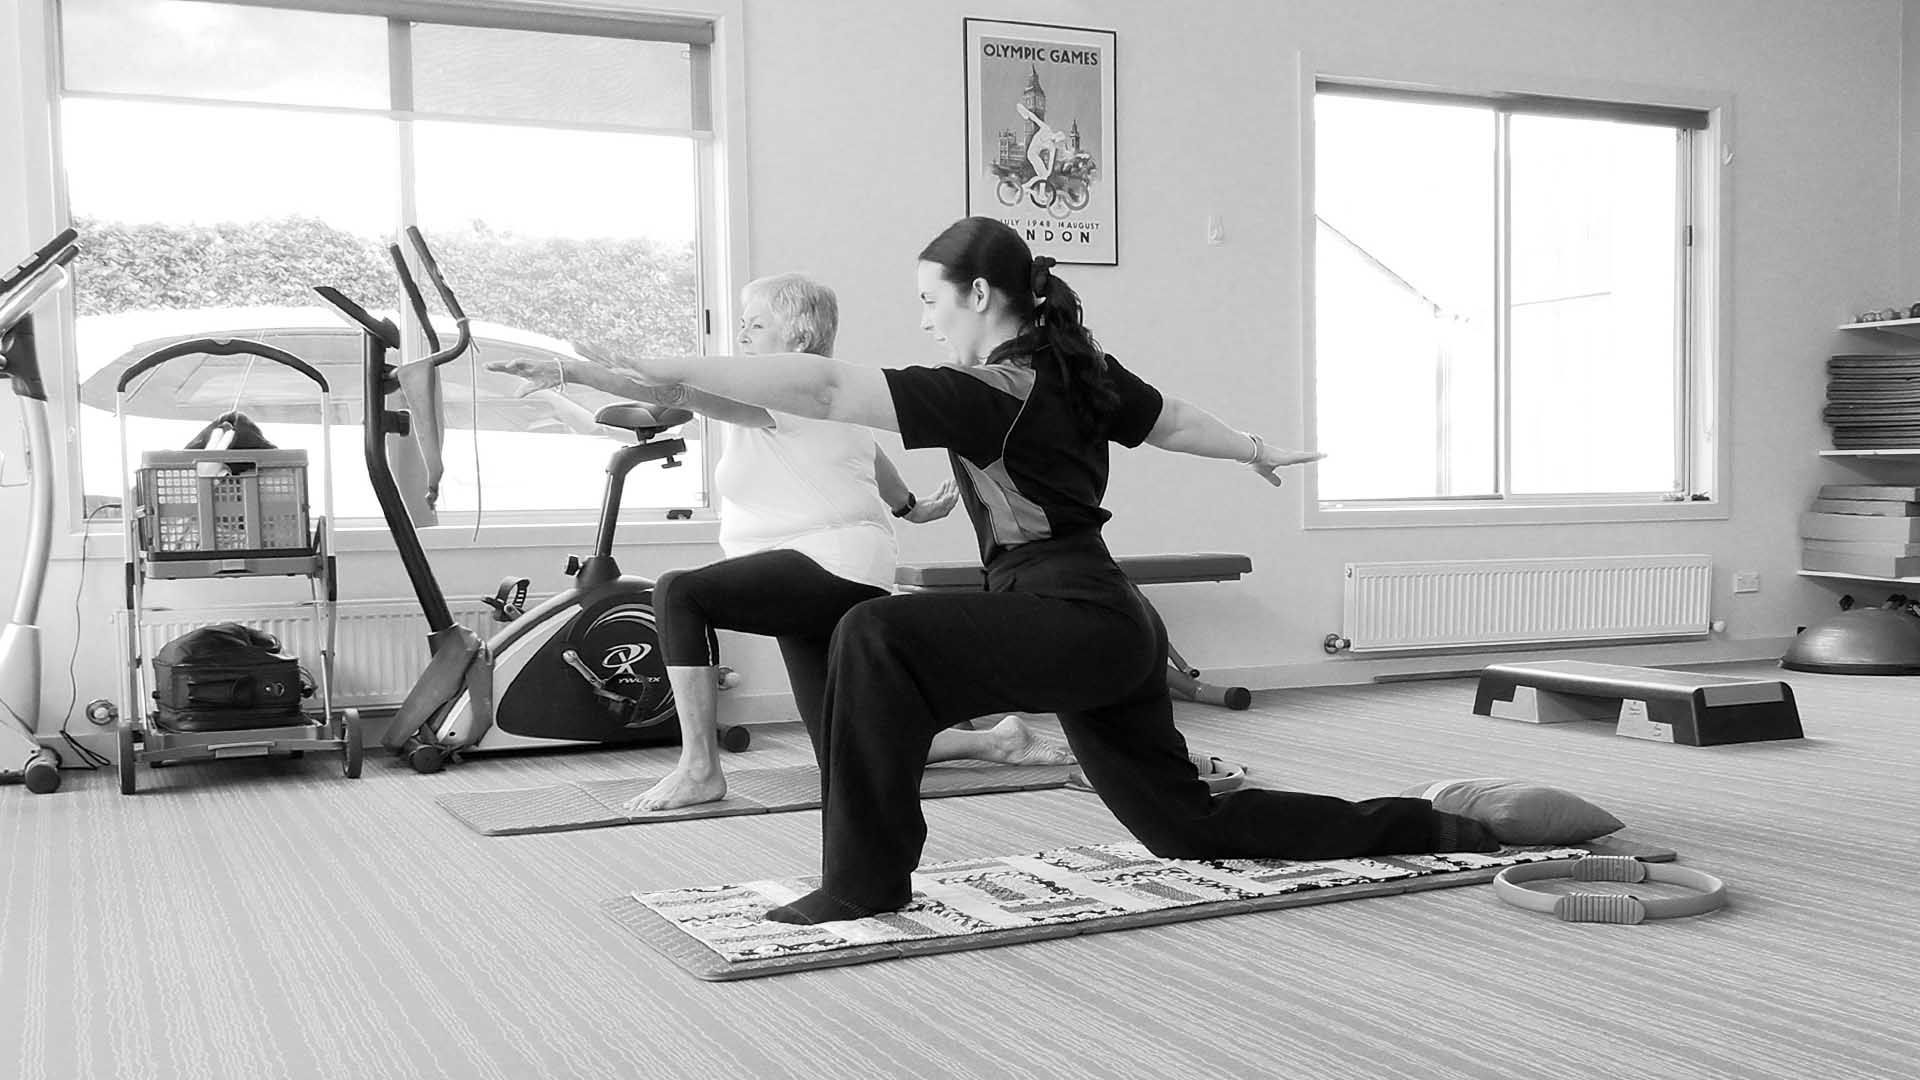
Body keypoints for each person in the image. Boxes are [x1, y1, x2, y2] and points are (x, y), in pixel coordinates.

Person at [597, 216, 1506, 926]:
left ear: (981, 293)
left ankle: (863, 884)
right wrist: (1254, 448)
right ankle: (1441, 823)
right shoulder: (1075, 368)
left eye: (929, 300)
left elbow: (828, 388)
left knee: (871, 631)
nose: (922, 319)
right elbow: (1175, 418)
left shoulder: (1002, 387)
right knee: (1187, 828)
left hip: (1071, 612)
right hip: (1104, 621)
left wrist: (657, 365)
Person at [487, 272, 1074, 812]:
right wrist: (913, 509)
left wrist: (577, 370)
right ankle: (999, 739)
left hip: (825, 563)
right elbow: (870, 458)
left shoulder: (787, 389)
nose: (743, 331)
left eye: (756, 321)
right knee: (843, 749)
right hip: (828, 569)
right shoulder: (816, 400)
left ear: (799, 331)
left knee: (679, 593)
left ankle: (699, 769)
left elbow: (679, 396)